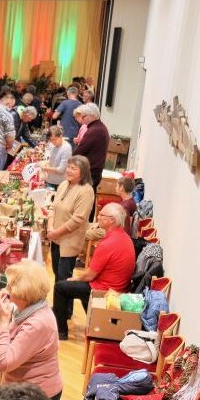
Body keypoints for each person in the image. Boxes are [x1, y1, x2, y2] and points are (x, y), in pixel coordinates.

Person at [52, 202, 136, 340]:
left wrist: (75, 278)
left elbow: (90, 275)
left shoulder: (108, 244)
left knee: (61, 287)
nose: (98, 217)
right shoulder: (124, 237)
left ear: (111, 220)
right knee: (72, 285)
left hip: (105, 290)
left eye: (102, 215)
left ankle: (61, 331)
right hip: (117, 288)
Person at [0, 260, 63, 400]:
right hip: (23, 390)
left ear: (23, 293)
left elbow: (3, 363)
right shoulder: (30, 309)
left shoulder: (37, 324)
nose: (6, 289)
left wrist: (4, 321)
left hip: (34, 398)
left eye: (10, 286)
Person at [46, 155, 95, 284]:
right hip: (55, 238)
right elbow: (53, 207)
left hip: (69, 241)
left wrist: (57, 232)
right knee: (57, 275)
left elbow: (77, 219)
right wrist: (50, 227)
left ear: (83, 172)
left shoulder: (86, 191)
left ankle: (63, 305)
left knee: (64, 280)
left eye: (73, 168)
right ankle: (57, 305)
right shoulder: (63, 184)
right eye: (68, 167)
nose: (68, 170)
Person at [72, 103, 110, 198]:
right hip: (95, 170)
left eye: (84, 117)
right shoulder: (100, 127)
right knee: (89, 197)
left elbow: (80, 150)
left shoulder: (95, 130)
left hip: (91, 171)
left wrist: (70, 158)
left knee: (86, 199)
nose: (83, 120)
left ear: (91, 116)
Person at [41, 125, 72, 189]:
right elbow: (52, 159)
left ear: (60, 136)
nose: (53, 142)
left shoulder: (66, 148)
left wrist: (45, 168)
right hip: (50, 179)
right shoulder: (51, 145)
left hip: (60, 182)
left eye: (55, 139)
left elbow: (61, 169)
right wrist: (46, 163)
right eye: (51, 140)